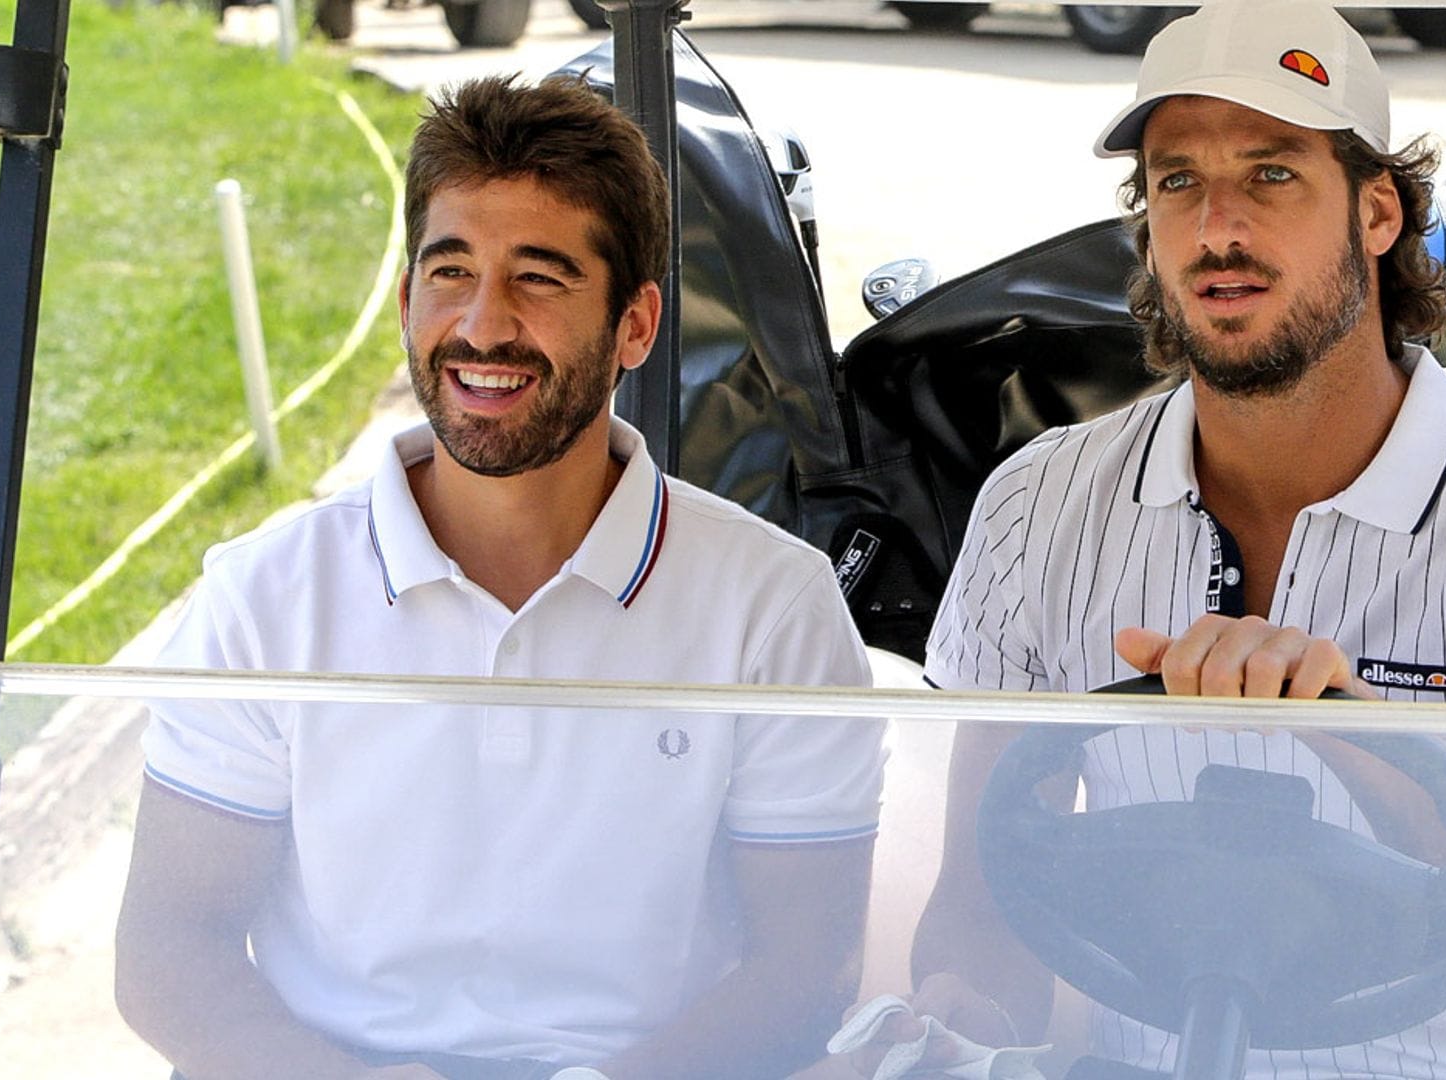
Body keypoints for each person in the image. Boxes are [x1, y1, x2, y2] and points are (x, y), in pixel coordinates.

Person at [895, 3, 1446, 1079]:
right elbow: (980, 906)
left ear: (1373, 215)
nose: (1220, 227)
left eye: (1272, 175)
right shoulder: (1038, 500)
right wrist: (959, 1013)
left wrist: (1353, 730)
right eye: (1178, 181)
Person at [115, 75, 885, 1080]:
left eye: (540, 277)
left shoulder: (773, 606)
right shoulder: (264, 597)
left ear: (636, 326)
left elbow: (806, 967)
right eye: (450, 272)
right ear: (404, 302)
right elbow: (170, 947)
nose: (483, 325)